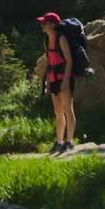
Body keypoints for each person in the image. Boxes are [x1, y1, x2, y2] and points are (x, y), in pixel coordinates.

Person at [36, 11, 77, 153]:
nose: (42, 25)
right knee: (58, 112)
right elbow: (49, 62)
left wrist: (66, 80)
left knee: (67, 109)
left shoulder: (62, 39)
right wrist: (48, 82)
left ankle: (69, 142)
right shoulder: (47, 40)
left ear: (53, 24)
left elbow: (69, 61)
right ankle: (59, 141)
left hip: (64, 77)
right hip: (53, 78)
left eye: (45, 23)